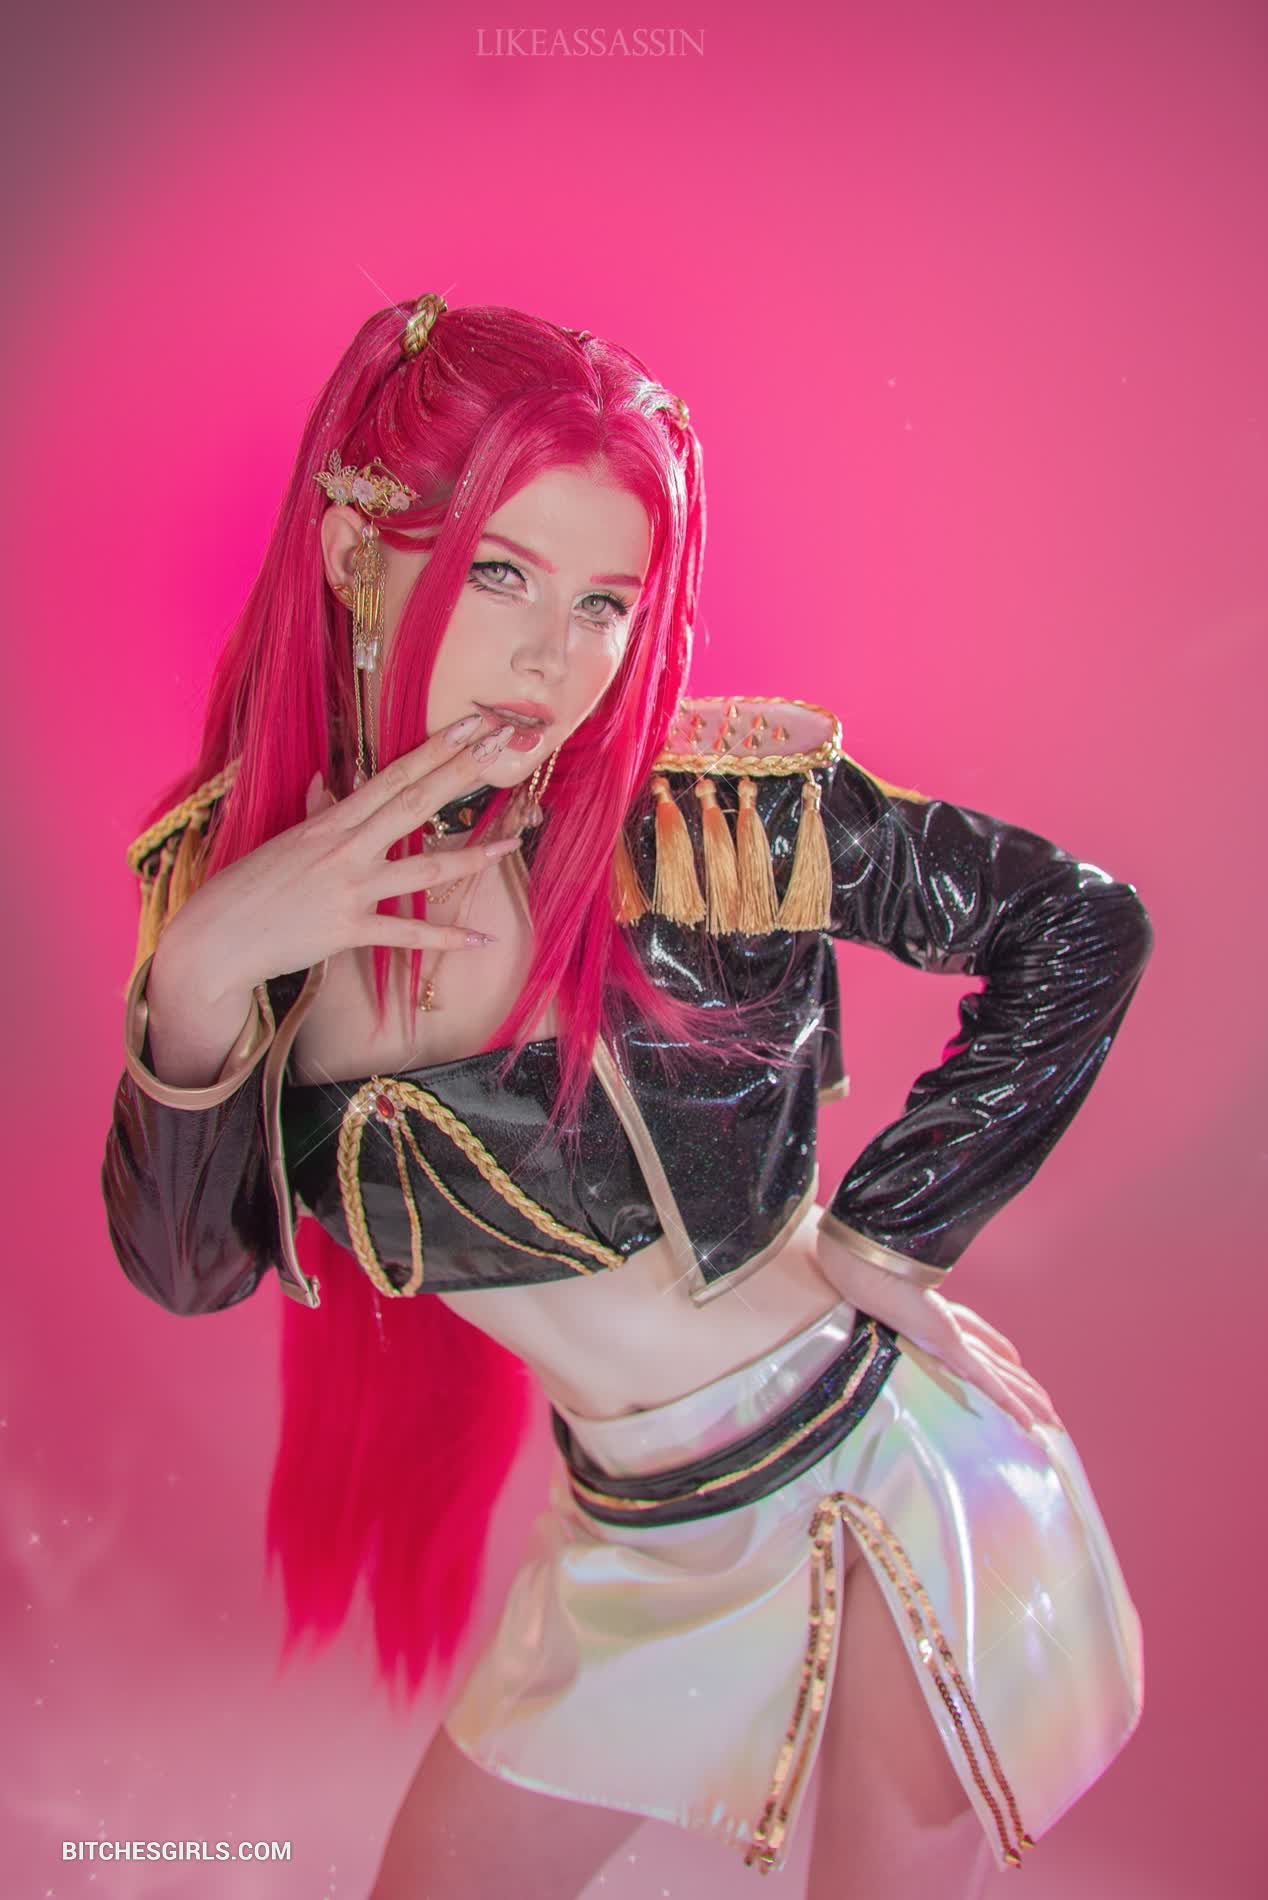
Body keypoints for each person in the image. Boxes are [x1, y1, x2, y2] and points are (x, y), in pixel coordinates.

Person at [101, 294, 1153, 1900]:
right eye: (501, 573)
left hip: (888, 1478)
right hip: (631, 1529)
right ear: (352, 550)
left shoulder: (711, 820)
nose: (555, 656)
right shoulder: (225, 898)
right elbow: (190, 1272)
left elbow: (1079, 925)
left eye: (605, 602)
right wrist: (200, 978)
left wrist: (885, 1236)